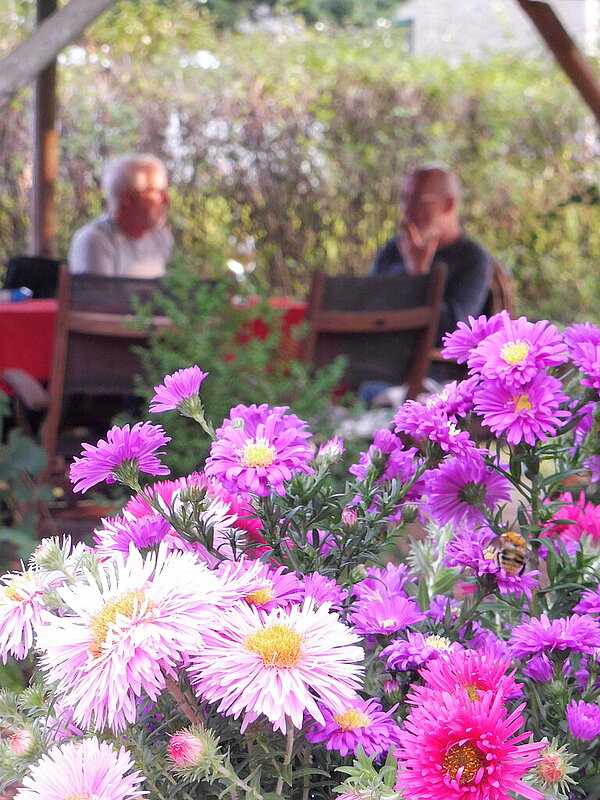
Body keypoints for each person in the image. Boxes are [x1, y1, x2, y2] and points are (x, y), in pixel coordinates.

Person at [372, 166, 492, 345]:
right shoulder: (393, 249)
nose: (407, 211)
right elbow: (367, 305)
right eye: (404, 200)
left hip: (431, 369)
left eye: (417, 200)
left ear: (448, 204)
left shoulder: (472, 258)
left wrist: (419, 274)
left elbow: (453, 332)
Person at [68, 154, 173, 278]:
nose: (167, 200)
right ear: (128, 198)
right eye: (158, 193)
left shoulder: (161, 238)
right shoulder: (95, 240)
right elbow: (98, 297)